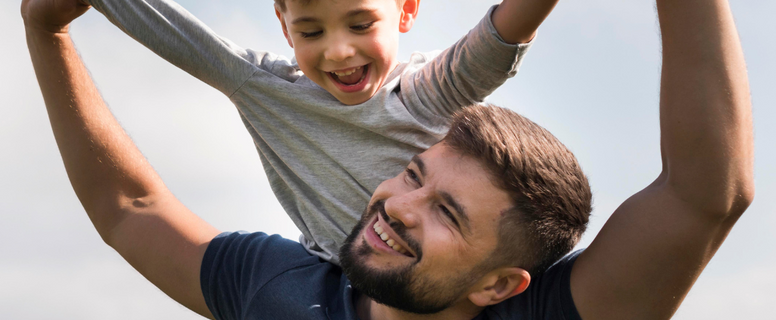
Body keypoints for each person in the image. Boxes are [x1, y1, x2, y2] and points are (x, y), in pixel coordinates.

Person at [23, 0, 753, 320]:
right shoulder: (279, 293)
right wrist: (46, 31)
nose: (399, 205)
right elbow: (129, 208)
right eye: (411, 173)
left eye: (449, 214)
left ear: (500, 283)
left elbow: (706, 194)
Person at [73, 0, 559, 264]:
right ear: (284, 26)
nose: (340, 51)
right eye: (311, 32)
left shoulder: (427, 92)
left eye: (361, 22)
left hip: (446, 286)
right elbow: (170, 28)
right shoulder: (267, 90)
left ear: (406, 9)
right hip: (334, 290)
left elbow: (500, 37)